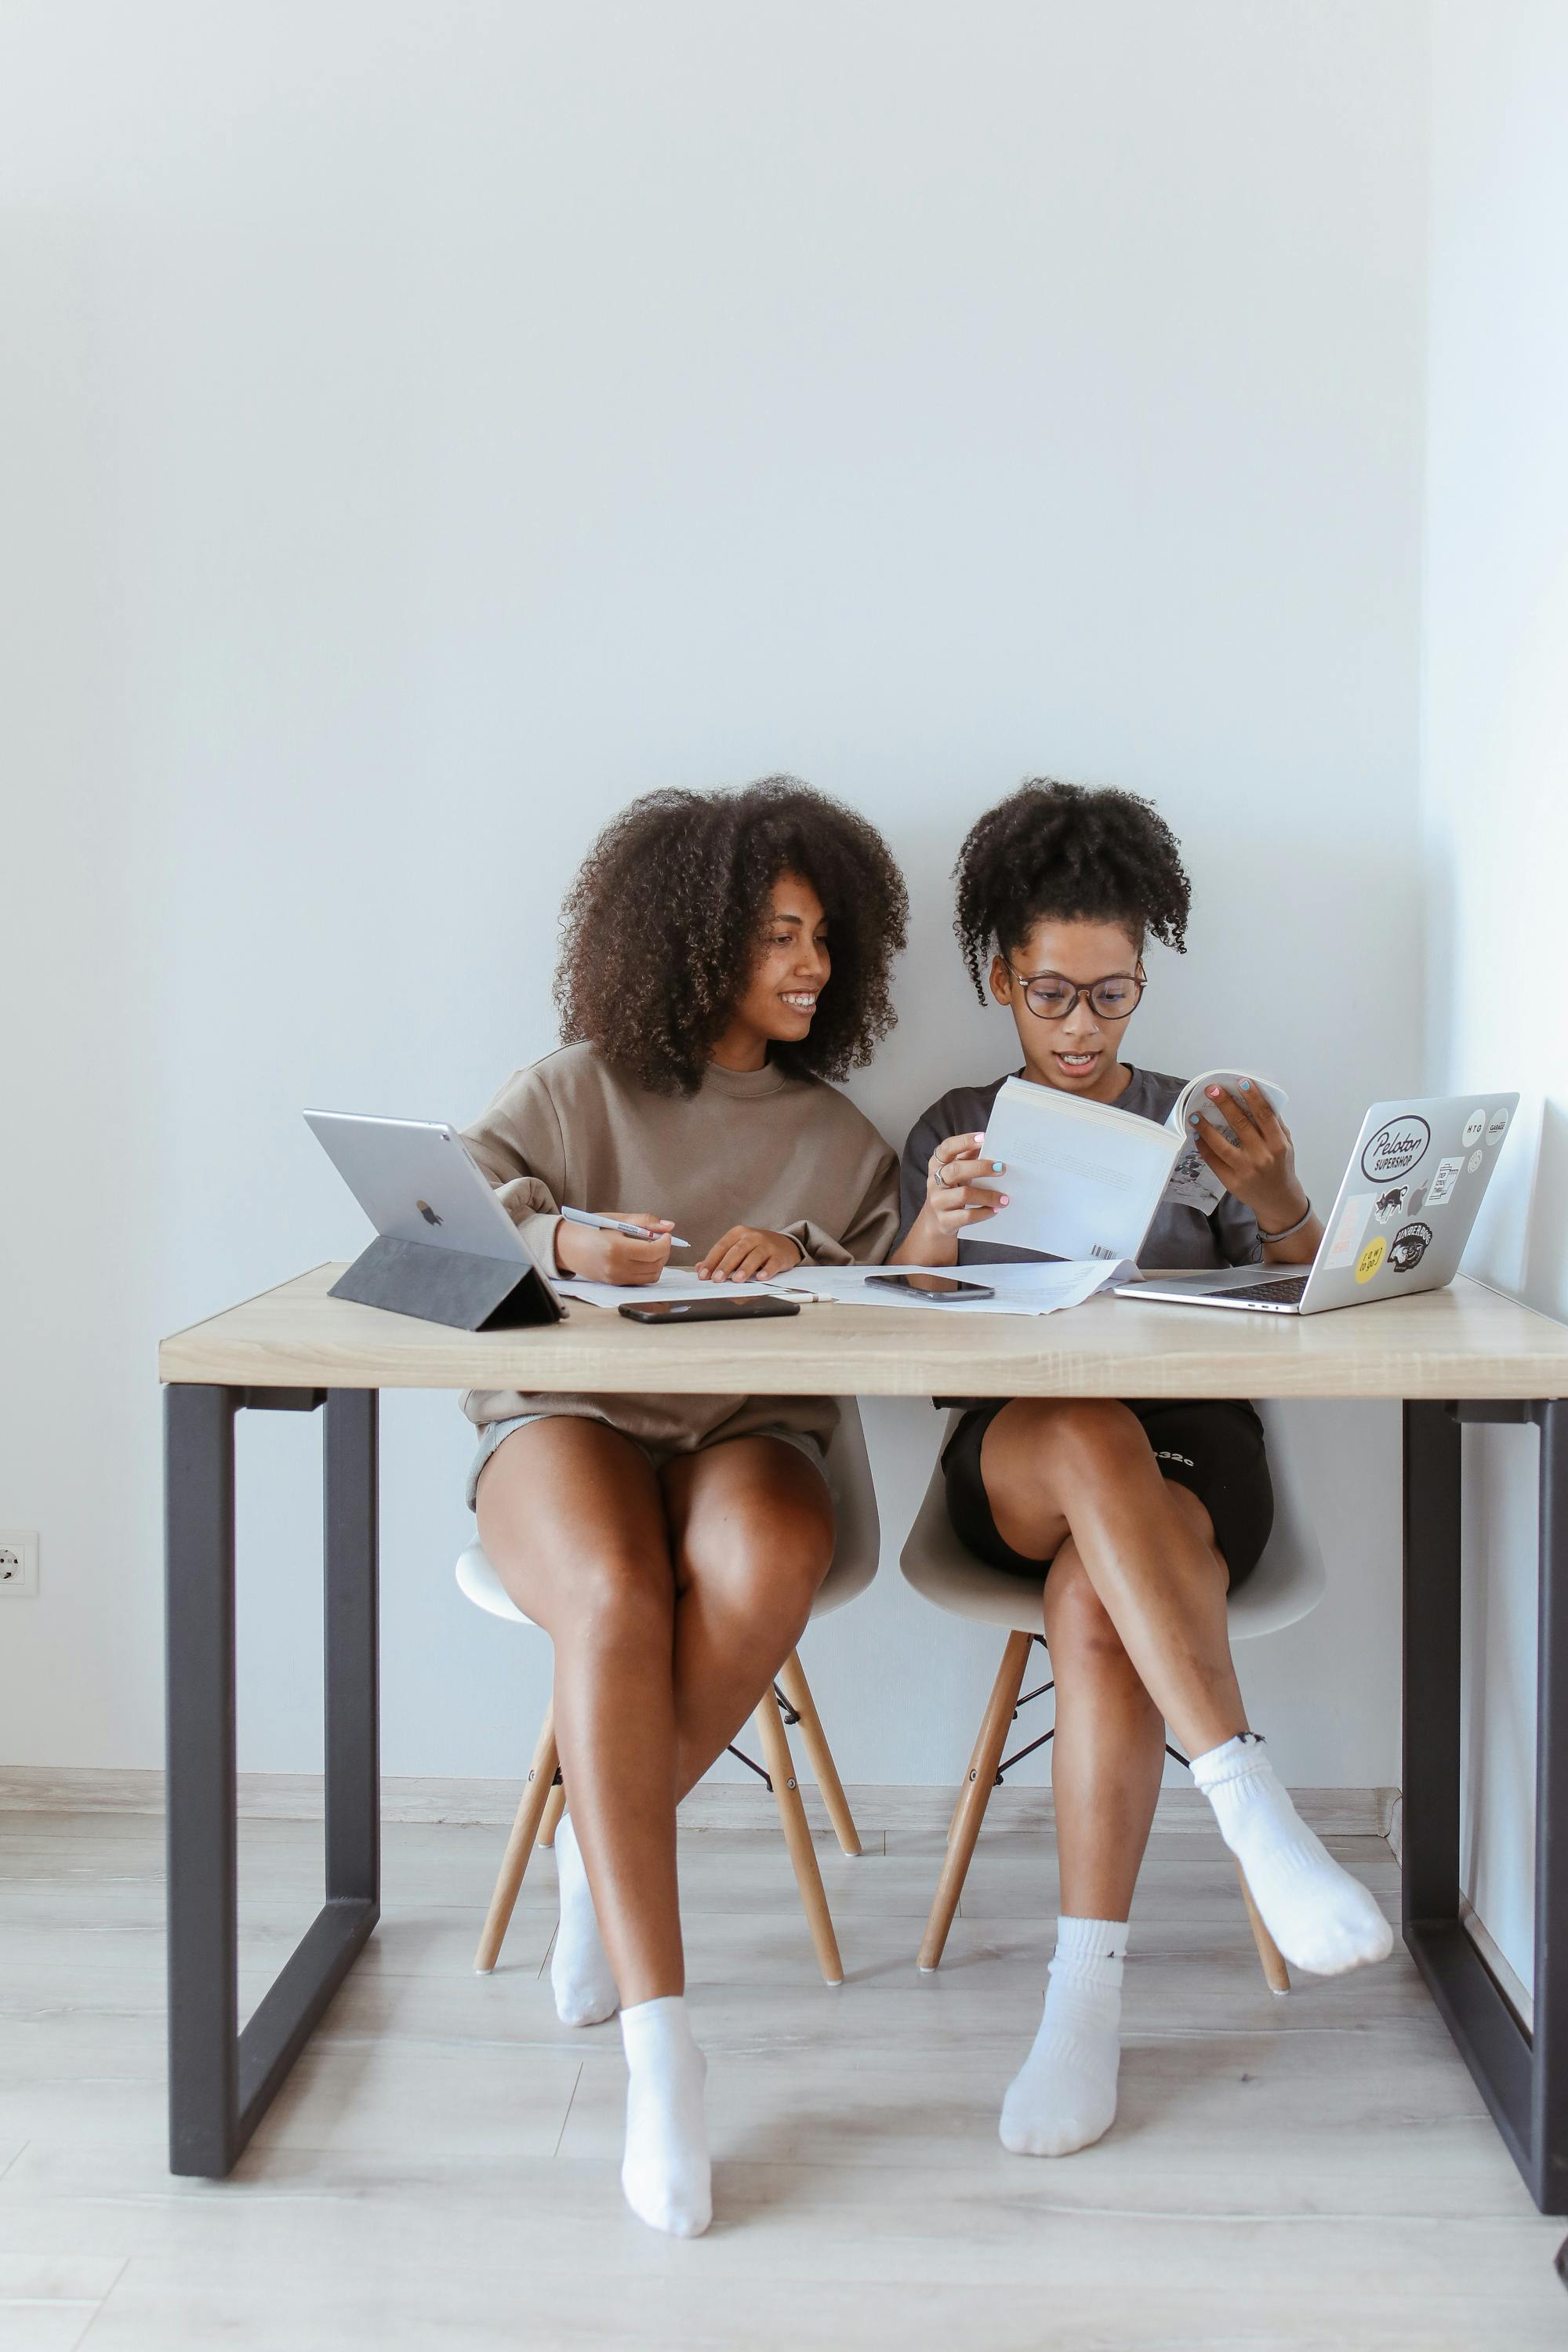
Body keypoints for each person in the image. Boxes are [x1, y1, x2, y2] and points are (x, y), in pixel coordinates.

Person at [893, 778, 1392, 2162]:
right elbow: (895, 1320)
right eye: (1053, 997)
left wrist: (1286, 1196)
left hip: (1193, 1462)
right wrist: (935, 1228)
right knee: (1081, 1428)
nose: (1081, 1029)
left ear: (1141, 983)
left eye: (1112, 998)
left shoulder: (1202, 1114)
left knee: (1092, 1599)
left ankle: (1083, 2005)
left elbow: (1311, 1298)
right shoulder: (954, 1123)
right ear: (1004, 981)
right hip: (1014, 1461)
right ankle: (1248, 1800)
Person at [463, 779, 906, 2238]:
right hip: (569, 1418)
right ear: (694, 938)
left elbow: (896, 1288)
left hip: (752, 1426)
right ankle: (666, 2045)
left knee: (777, 1545)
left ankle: (606, 1851)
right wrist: (567, 1230)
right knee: (610, 1594)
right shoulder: (574, 1085)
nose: (811, 966)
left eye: (825, 940)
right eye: (780, 934)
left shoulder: (840, 1134)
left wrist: (804, 1247)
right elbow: (442, 1213)